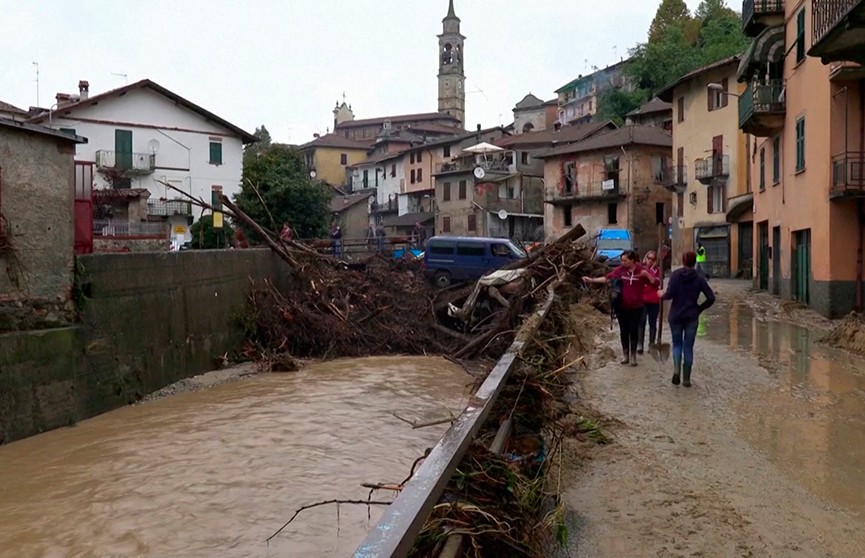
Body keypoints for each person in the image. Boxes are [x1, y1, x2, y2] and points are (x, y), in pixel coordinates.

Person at [584, 250, 659, 366]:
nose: (622, 262)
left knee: (634, 331)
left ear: (632, 260)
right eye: (621, 260)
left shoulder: (641, 270)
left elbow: (655, 283)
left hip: (637, 306)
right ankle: (626, 355)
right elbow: (608, 278)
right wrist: (592, 280)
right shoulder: (620, 270)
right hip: (622, 307)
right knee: (624, 331)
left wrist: (647, 275)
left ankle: (633, 355)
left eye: (625, 260)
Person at [658, 251, 715, 387]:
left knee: (677, 344)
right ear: (695, 262)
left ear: (683, 261)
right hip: (691, 316)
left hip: (676, 315)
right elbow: (711, 298)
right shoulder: (699, 278)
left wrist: (661, 294)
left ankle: (676, 371)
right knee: (688, 347)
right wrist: (699, 309)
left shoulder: (676, 275)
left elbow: (669, 294)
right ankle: (686, 379)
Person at [637, 250, 662, 355]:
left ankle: (651, 344)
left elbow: (655, 282)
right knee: (641, 322)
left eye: (653, 259)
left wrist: (647, 274)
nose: (650, 261)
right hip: (642, 300)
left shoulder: (658, 270)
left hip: (654, 300)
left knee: (652, 323)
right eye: (649, 258)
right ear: (645, 258)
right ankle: (640, 344)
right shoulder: (640, 269)